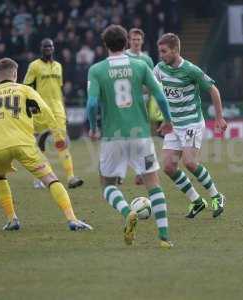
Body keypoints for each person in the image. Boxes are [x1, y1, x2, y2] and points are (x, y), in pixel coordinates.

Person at [0, 58, 92, 231]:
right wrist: (57, 133)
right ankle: (72, 219)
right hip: (24, 144)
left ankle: (12, 219)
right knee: (51, 179)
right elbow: (45, 111)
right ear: (15, 74)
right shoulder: (25, 90)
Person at [86, 25, 173, 248]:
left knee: (108, 185)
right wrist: (168, 120)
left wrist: (93, 127)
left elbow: (92, 103)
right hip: (141, 134)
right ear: (126, 43)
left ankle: (127, 212)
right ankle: (163, 237)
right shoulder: (140, 65)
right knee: (153, 184)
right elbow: (160, 95)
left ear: (105, 45)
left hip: (112, 136)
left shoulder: (96, 70)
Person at [154, 33, 227, 219]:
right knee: (169, 167)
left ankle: (216, 196)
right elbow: (150, 88)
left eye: (164, 51)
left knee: (189, 162)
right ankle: (196, 201)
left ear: (175, 50)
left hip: (191, 122)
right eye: (160, 51)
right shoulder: (160, 69)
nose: (161, 55)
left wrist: (219, 118)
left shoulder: (191, 70)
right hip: (174, 124)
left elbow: (213, 90)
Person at [23, 38, 83, 189]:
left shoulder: (58, 66)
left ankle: (70, 177)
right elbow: (27, 88)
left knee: (61, 142)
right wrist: (31, 106)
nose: (48, 49)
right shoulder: (34, 66)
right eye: (45, 47)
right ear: (41, 49)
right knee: (40, 145)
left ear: (54, 48)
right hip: (41, 110)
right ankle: (40, 178)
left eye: (50, 46)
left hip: (57, 111)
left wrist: (64, 109)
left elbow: (59, 89)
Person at [125, 27, 164, 185]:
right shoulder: (124, 56)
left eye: (138, 39)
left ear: (142, 41)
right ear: (129, 40)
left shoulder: (147, 60)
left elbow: (152, 82)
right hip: (126, 103)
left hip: (143, 103)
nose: (135, 42)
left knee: (143, 137)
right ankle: (140, 170)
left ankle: (144, 171)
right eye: (133, 39)